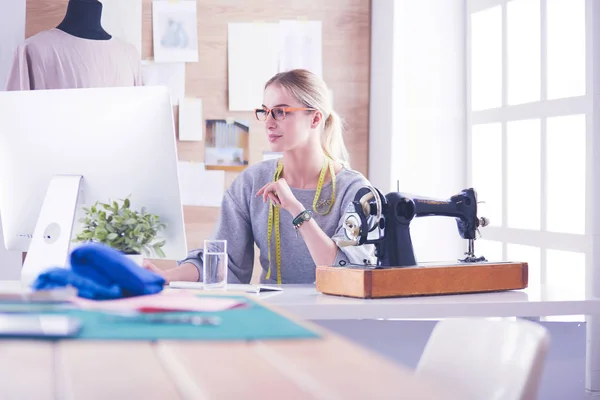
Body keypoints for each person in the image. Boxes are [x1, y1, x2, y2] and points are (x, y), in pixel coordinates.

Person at [143, 69, 375, 284]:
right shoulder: (252, 182)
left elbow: (346, 271)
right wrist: (165, 277)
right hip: (274, 314)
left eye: (281, 112)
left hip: (339, 319)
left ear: (315, 119)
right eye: (265, 112)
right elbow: (222, 261)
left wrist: (296, 209)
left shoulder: (356, 191)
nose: (269, 123)